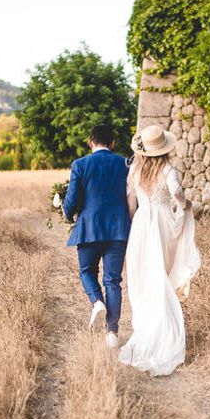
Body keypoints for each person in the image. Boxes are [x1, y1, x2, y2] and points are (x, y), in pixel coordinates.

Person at [119, 124, 201, 376]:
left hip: (143, 225)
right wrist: (186, 205)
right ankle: (162, 333)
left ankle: (147, 328)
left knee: (144, 278)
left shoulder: (134, 170)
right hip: (163, 224)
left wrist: (135, 224)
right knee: (160, 278)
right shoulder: (169, 169)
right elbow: (176, 193)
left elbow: (131, 204)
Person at [62, 124, 131, 348]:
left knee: (86, 271)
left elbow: (71, 202)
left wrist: (64, 210)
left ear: (91, 143)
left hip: (89, 228)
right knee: (113, 280)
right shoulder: (124, 164)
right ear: (112, 144)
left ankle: (97, 302)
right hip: (118, 229)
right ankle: (112, 331)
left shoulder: (80, 164)